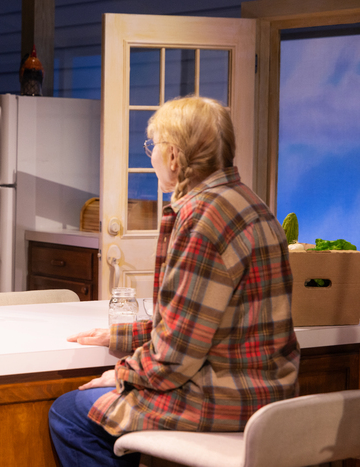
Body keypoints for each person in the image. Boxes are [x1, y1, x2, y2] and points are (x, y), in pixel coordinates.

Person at [48, 96, 300, 466]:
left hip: (222, 398)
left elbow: (174, 359)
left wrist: (122, 375)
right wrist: (121, 337)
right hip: (270, 396)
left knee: (70, 413)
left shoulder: (203, 219)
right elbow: (203, 325)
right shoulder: (252, 205)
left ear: (174, 157)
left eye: (153, 146)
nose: (150, 157)